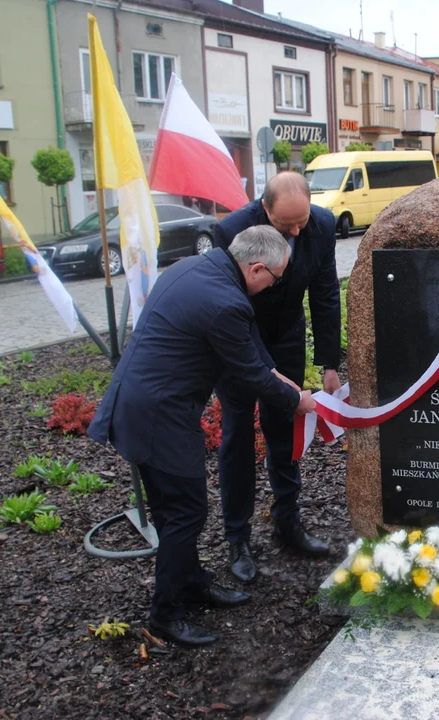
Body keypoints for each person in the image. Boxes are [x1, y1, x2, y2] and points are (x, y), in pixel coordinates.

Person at [88, 226, 316, 647]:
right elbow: (249, 373)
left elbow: (254, 354)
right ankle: (166, 615)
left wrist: (290, 385)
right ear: (257, 268)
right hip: (158, 415)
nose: (274, 286)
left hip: (140, 404)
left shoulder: (197, 269)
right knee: (186, 512)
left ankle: (190, 582)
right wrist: (298, 400)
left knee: (172, 509)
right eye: (275, 278)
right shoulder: (226, 301)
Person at [212, 171, 341, 583]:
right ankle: (238, 539)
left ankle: (288, 522)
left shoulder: (320, 224)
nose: (297, 230)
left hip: (286, 337)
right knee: (237, 436)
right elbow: (227, 300)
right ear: (264, 209)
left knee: (285, 431)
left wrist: (330, 364)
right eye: (286, 225)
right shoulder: (232, 230)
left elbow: (324, 295)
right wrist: (259, 368)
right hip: (239, 340)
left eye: (301, 220)